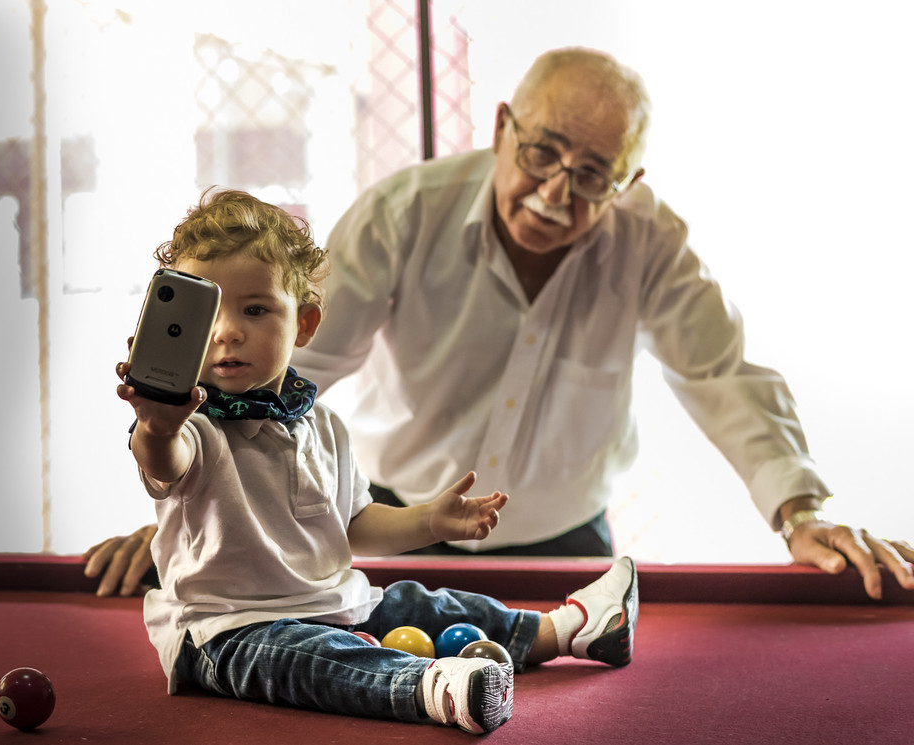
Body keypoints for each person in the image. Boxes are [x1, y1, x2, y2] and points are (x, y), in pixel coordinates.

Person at [87, 46, 913, 600]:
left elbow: (721, 372)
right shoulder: (404, 213)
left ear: (629, 181)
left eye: (593, 175)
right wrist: (195, 502)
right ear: (501, 128)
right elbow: (291, 364)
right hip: (385, 521)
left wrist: (803, 511)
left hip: (565, 539)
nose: (557, 193)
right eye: (544, 153)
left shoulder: (651, 240)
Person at [114, 188, 640, 734]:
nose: (228, 330)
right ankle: (431, 687)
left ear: (306, 324)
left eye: (255, 308)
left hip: (331, 604)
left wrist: (430, 520)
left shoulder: (323, 426)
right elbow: (164, 461)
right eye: (210, 314)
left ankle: (570, 629)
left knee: (421, 604)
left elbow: (355, 528)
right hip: (225, 633)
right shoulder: (192, 427)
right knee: (303, 657)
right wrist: (157, 422)